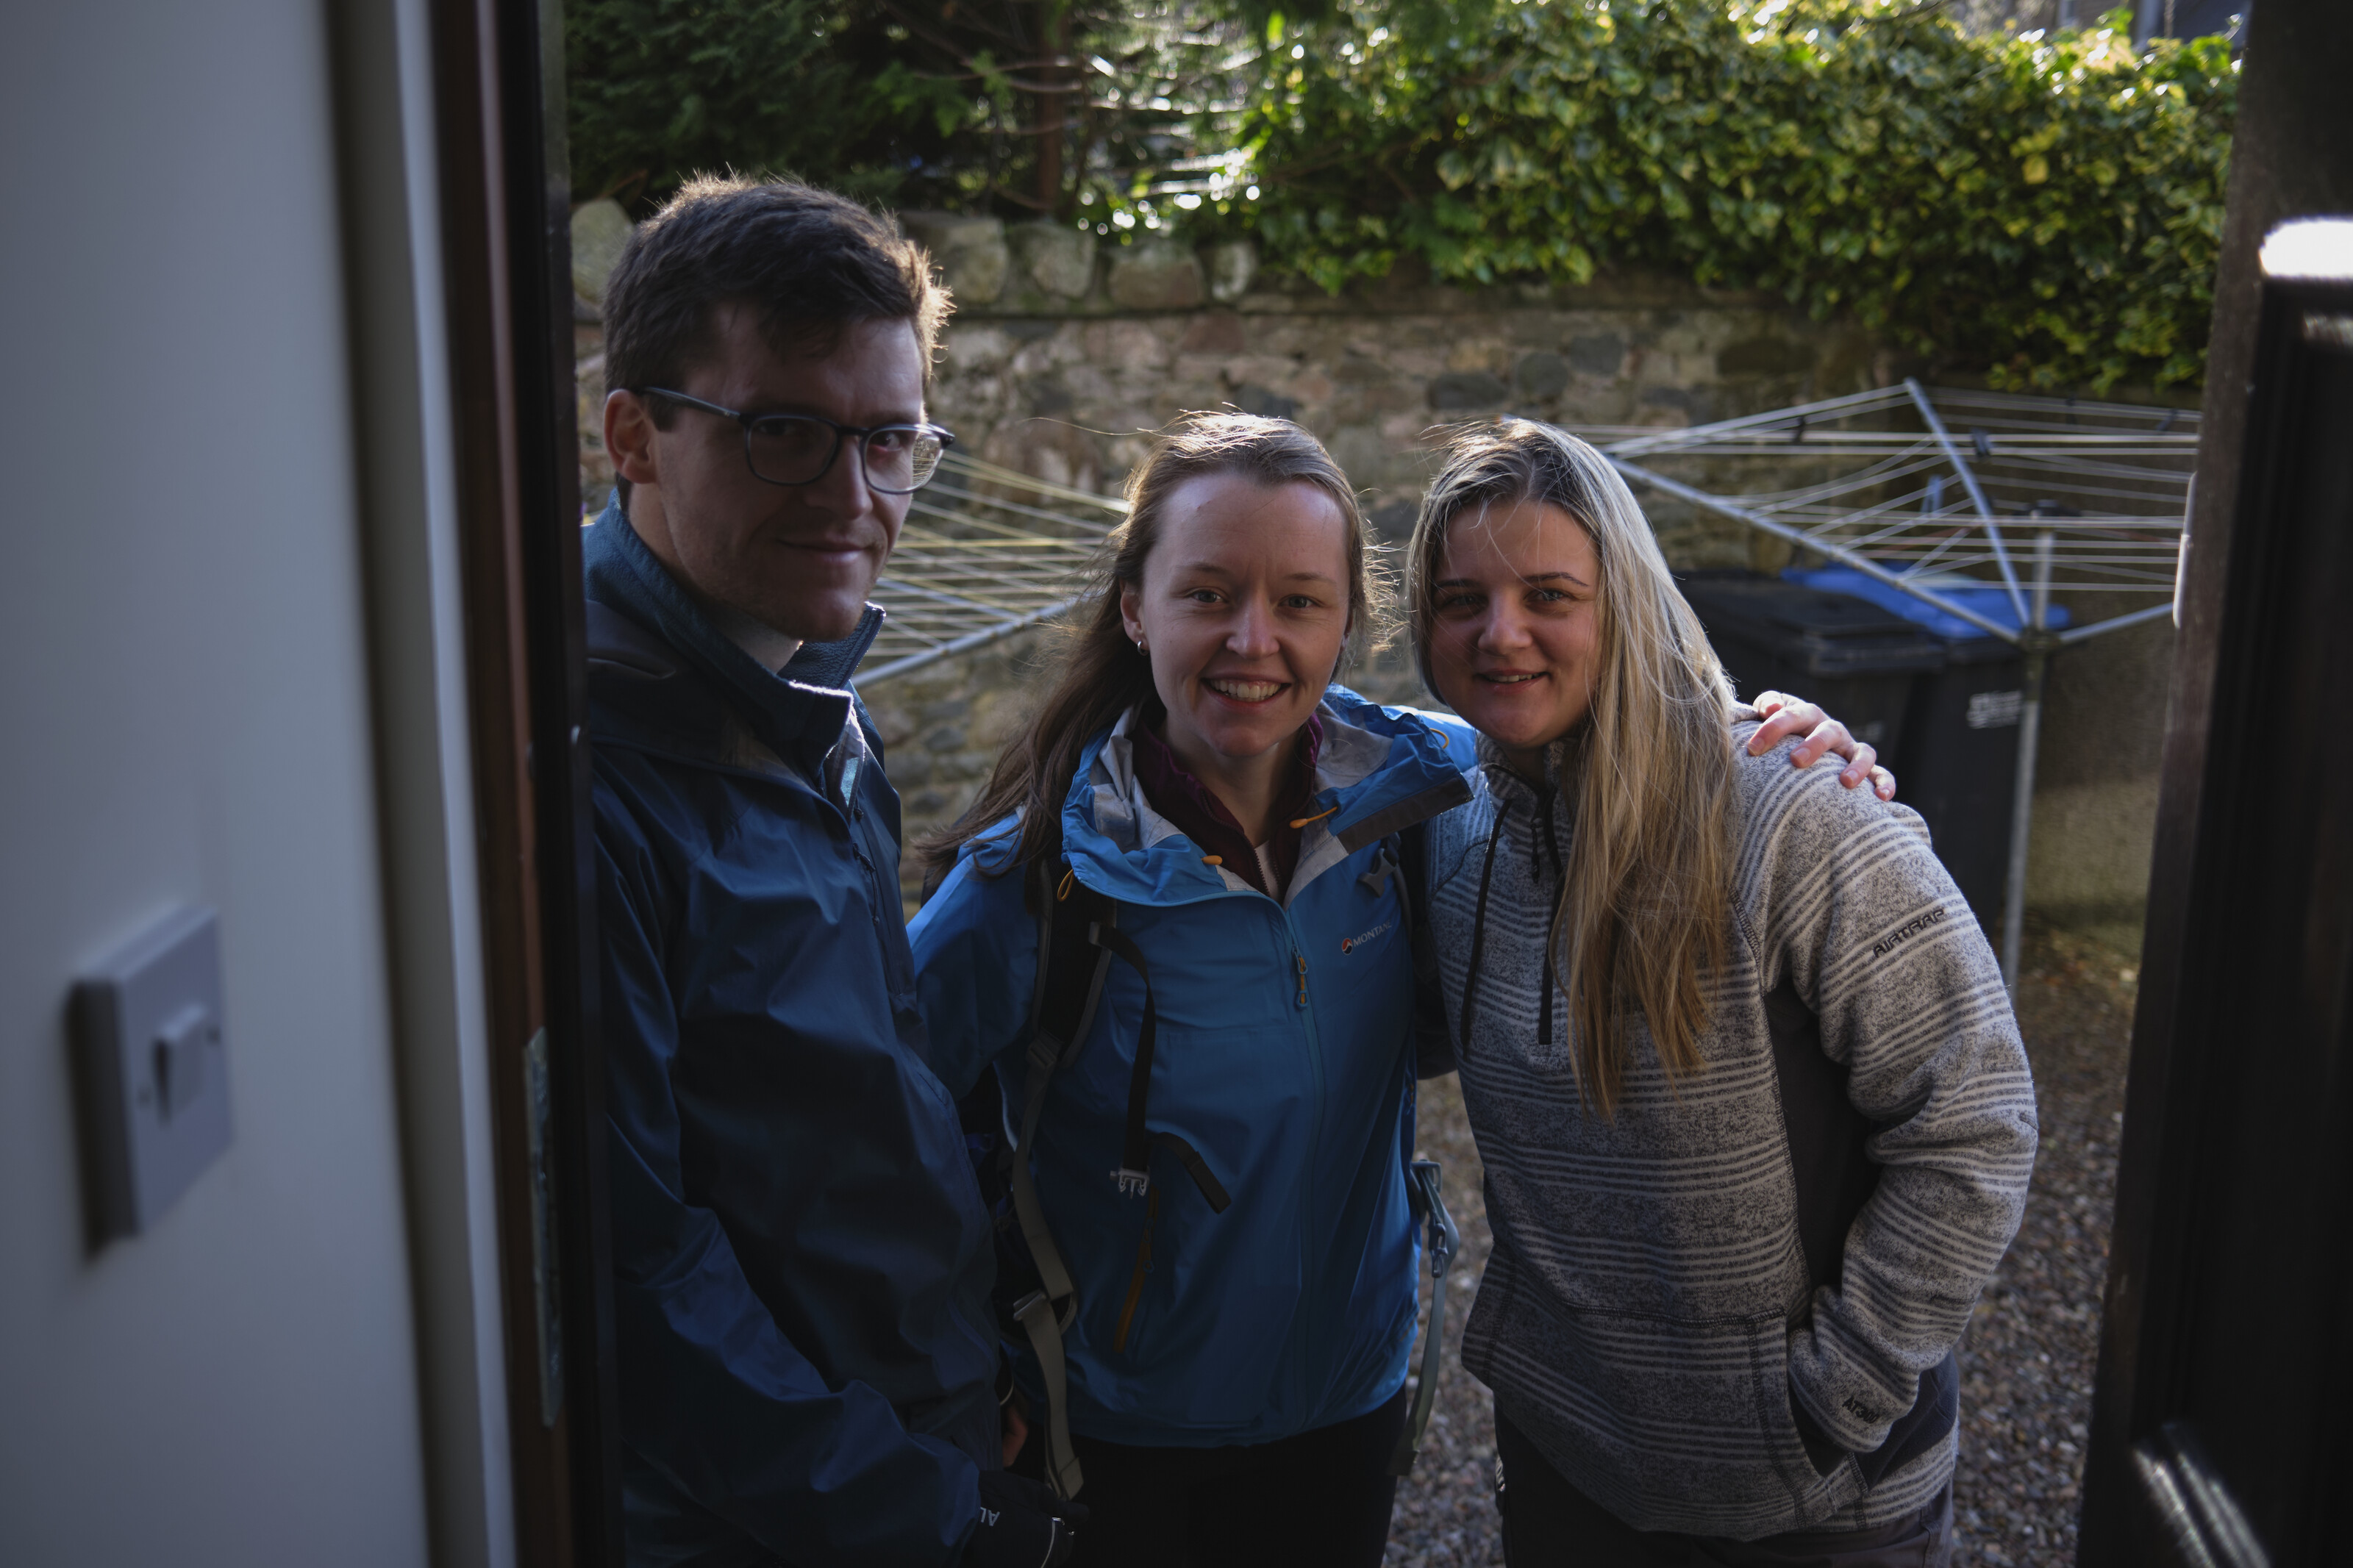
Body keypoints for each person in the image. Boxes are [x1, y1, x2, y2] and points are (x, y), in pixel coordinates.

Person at [904, 413, 1888, 1568]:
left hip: (1346, 1405)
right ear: (1136, 608)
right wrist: (951, 1360)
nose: (1253, 640)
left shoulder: (1426, 798)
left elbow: (1583, 736)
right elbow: (880, 1129)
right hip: (1112, 1430)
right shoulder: (1031, 881)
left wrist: (1765, 734)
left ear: (1353, 624)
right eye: (1209, 594)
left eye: (1301, 602)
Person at [1404, 420, 2038, 1567]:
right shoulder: (1451, 824)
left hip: (1811, 1506)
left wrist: (1833, 1399)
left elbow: (1976, 1120)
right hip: (1566, 1465)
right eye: (1461, 600)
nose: (1501, 633)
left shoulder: (1794, 810)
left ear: (1626, 603)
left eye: (1551, 593)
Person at [585, 175, 1083, 1567]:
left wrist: (965, 1372)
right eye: (788, 435)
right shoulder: (588, 776)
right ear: (634, 432)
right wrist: (928, 1512)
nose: (854, 499)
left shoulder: (805, 691)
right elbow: (636, 1271)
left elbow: (864, 1094)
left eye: (892, 442)